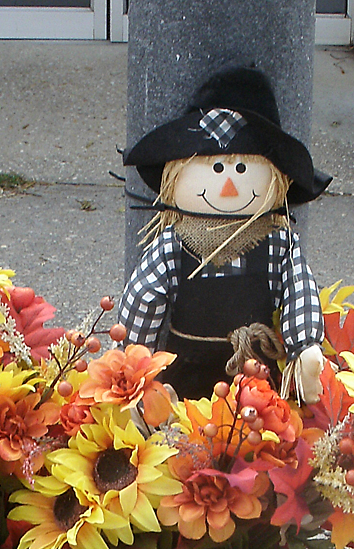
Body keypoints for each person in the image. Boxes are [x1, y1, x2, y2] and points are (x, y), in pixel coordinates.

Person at [119, 67, 332, 403]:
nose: (229, 185)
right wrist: (135, 361)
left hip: (256, 374)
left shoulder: (278, 242)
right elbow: (145, 296)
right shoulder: (176, 242)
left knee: (259, 420)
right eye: (216, 168)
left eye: (242, 168)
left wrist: (304, 346)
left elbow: (299, 290)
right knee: (182, 418)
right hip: (186, 370)